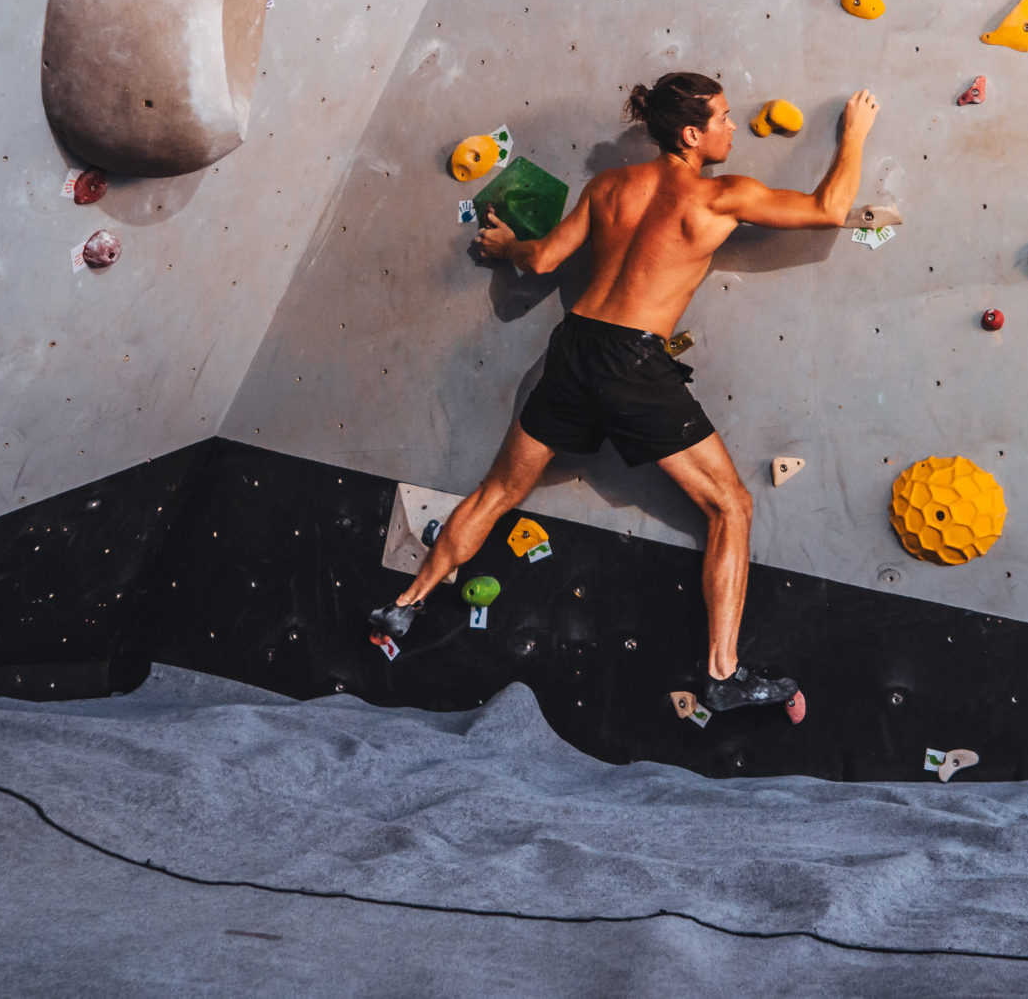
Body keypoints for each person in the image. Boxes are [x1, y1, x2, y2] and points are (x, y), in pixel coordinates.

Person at [369, 74, 879, 715]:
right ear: (692, 135)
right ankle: (723, 673)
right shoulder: (720, 197)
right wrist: (855, 133)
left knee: (499, 490)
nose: (732, 128)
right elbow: (830, 210)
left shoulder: (608, 187)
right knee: (732, 506)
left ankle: (405, 604)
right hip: (634, 363)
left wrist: (506, 244)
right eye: (722, 118)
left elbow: (546, 258)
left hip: (575, 347)